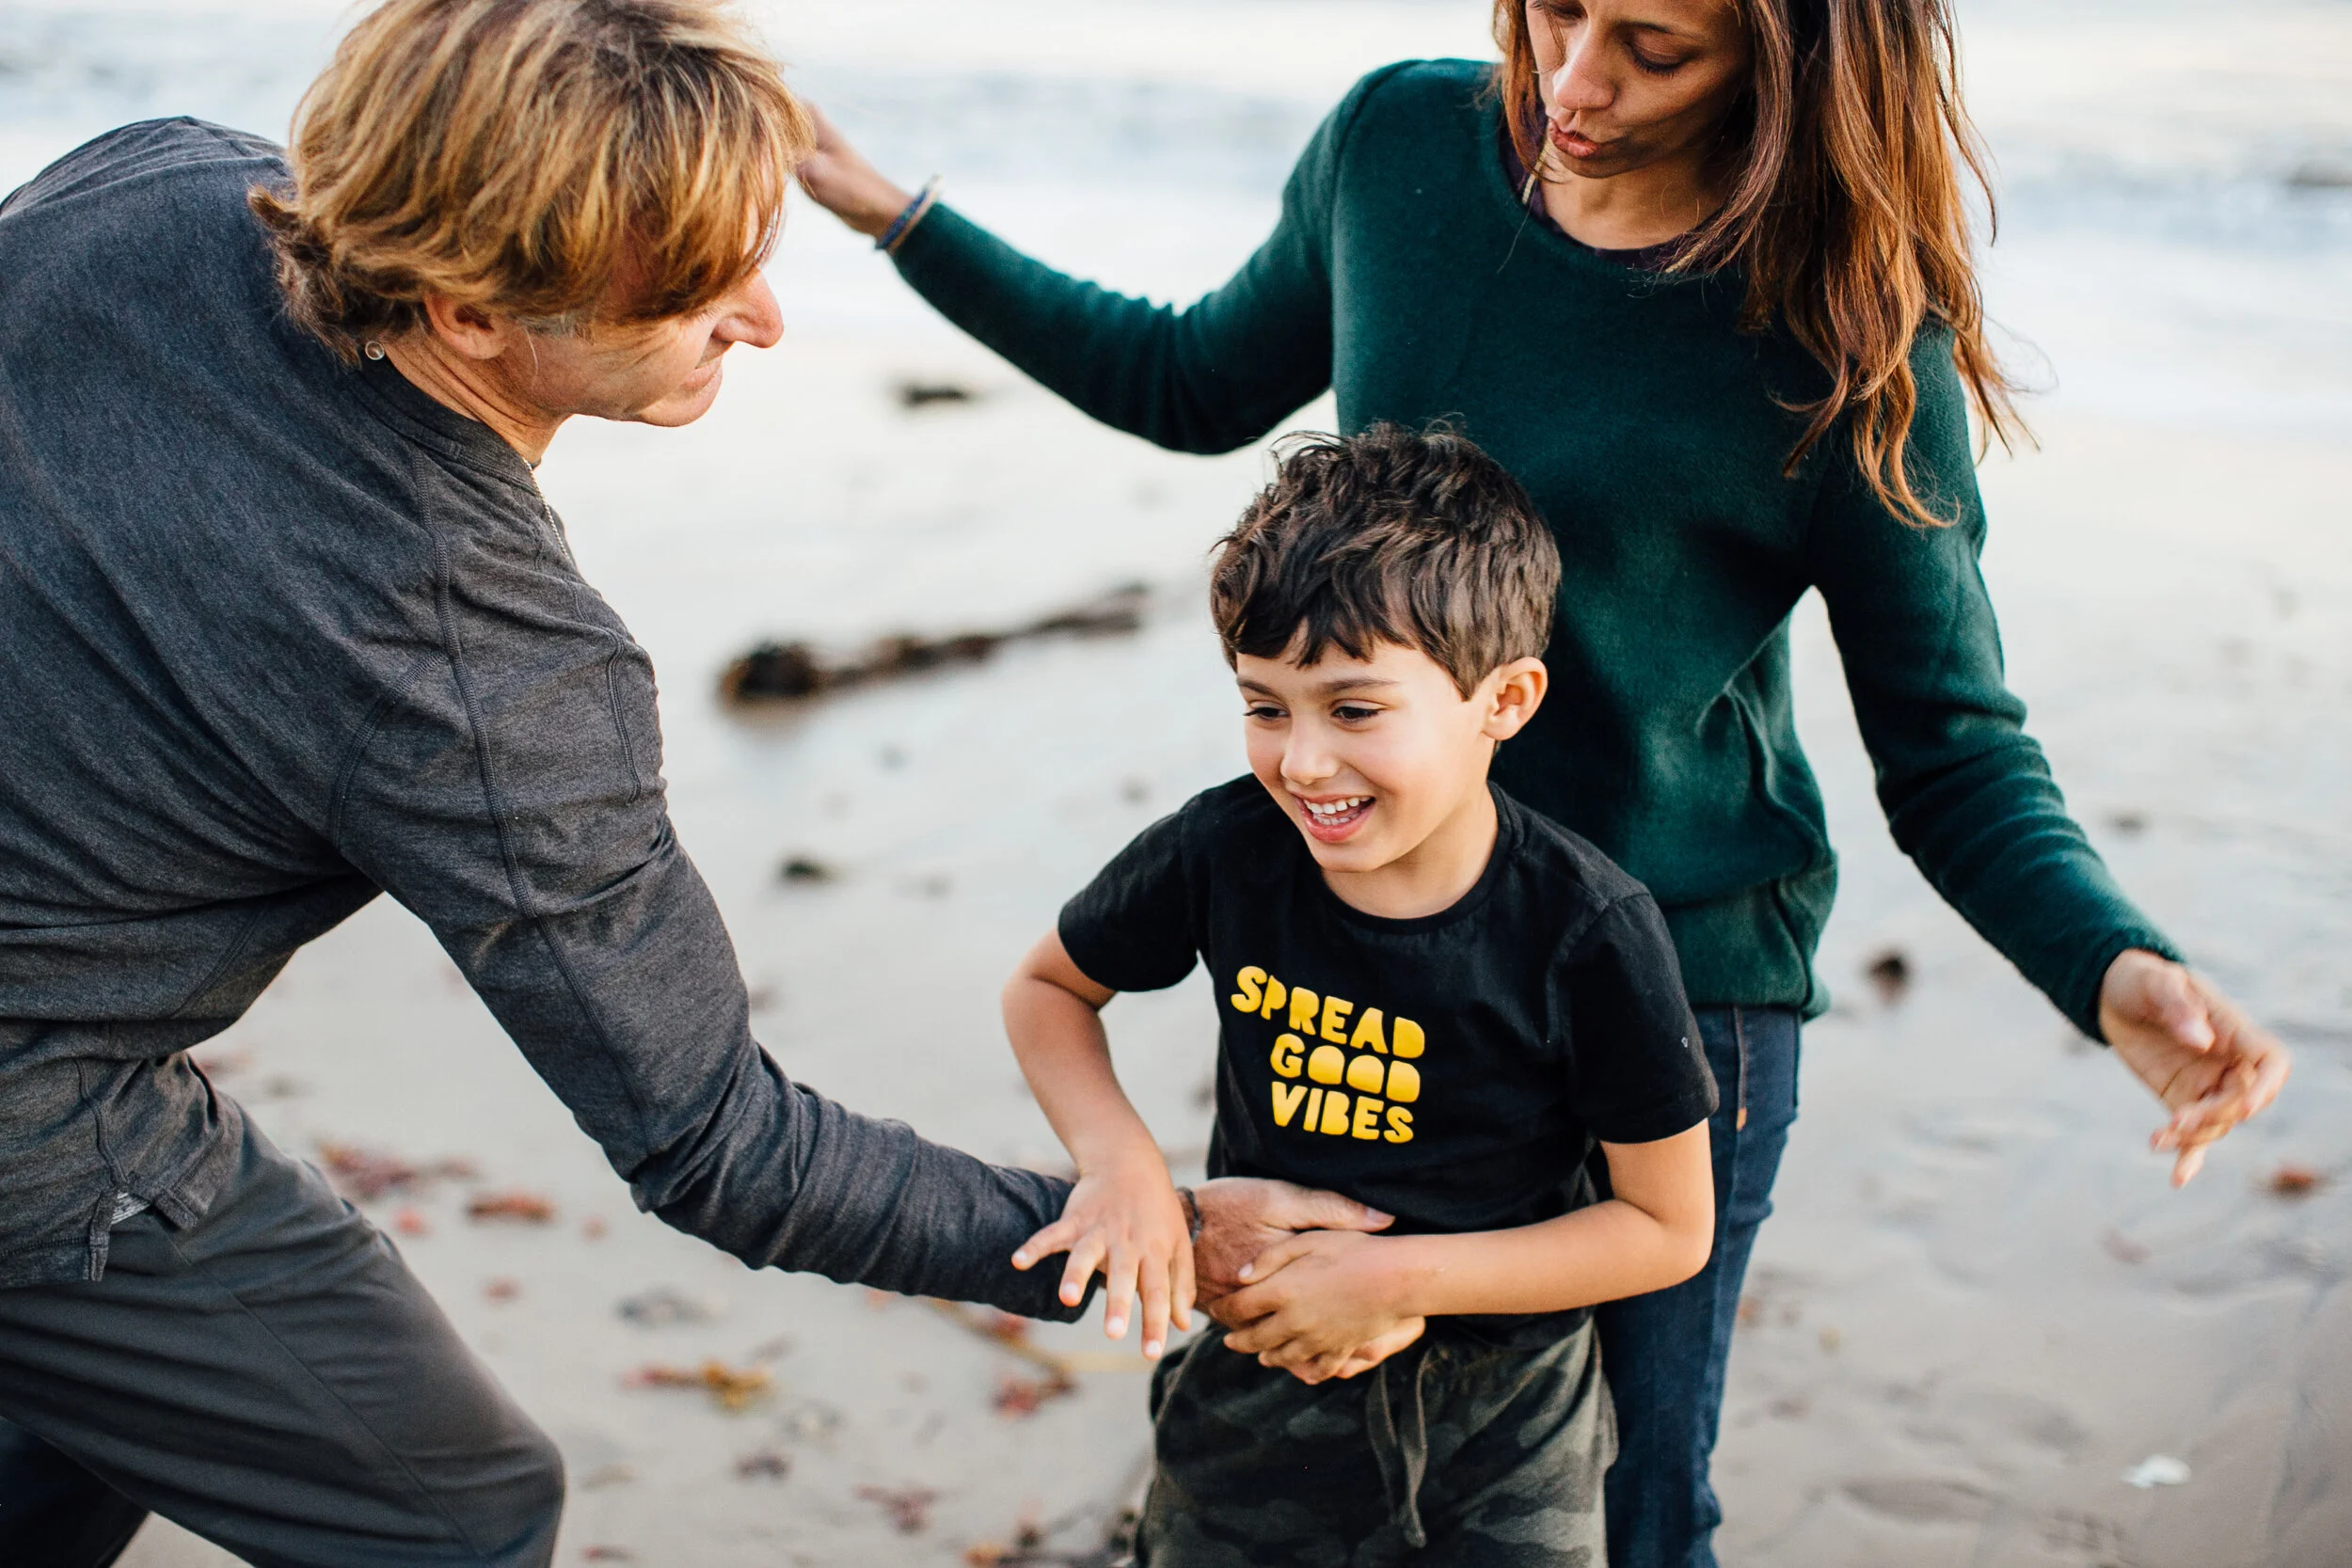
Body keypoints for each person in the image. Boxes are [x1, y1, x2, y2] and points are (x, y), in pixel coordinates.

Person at [796, 2, 2295, 1562]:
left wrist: (2106, 961)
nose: (1574, 83)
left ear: (1795, 63)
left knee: (1626, 1509)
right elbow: (1184, 379)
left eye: (1655, 47)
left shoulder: (1845, 332)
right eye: (1557, 11)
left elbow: (1952, 743)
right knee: (1326, 1460)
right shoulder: (1400, 150)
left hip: (1677, 991)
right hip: (1376, 952)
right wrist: (899, 217)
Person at [0, 2, 1387, 1563]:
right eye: (697, 286)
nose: (770, 316)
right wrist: (1156, 1239)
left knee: (85, 1403)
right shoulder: (481, 656)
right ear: (468, 310)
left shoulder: (150, 186)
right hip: (39, 1096)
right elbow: (719, 1143)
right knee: (455, 1512)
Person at [1002, 425, 1720, 1564]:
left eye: (1354, 708)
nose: (1300, 761)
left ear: (1506, 699)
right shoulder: (1224, 850)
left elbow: (1668, 1227)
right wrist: (1124, 1167)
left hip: (1509, 1428)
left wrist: (1394, 1275)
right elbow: (1048, 987)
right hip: (1253, 1390)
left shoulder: (1585, 928)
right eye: (1265, 705)